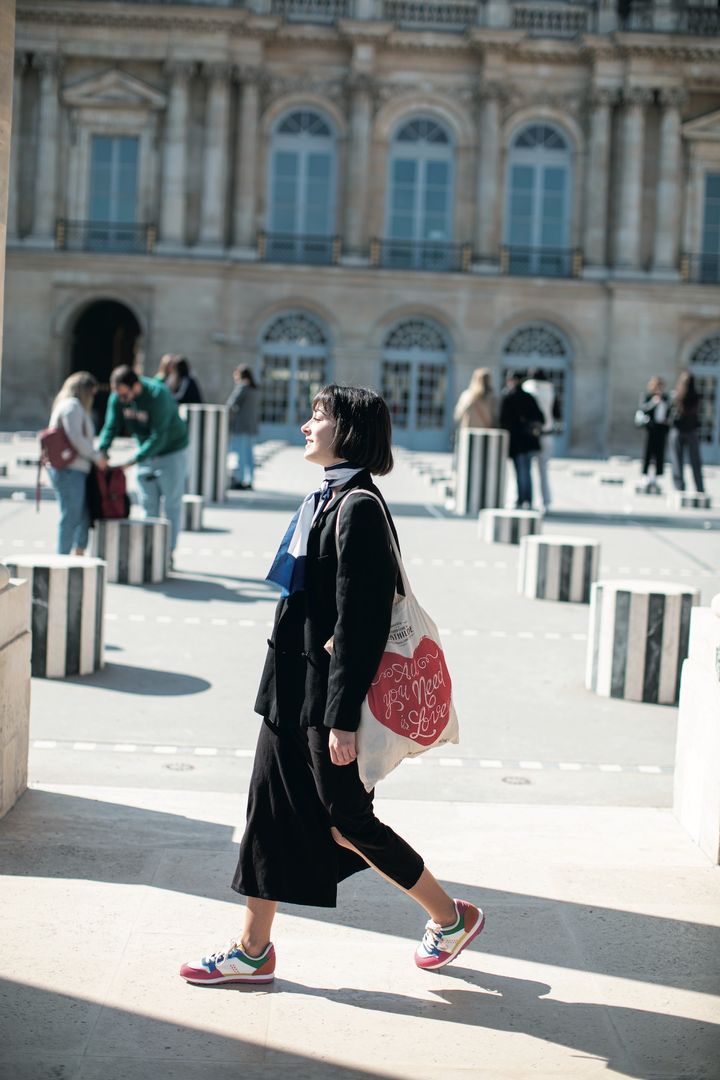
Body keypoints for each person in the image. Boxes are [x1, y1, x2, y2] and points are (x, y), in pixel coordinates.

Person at [179, 385, 485, 986]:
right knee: (266, 811)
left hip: (325, 700)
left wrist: (343, 718)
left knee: (348, 821)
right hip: (288, 685)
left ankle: (451, 917)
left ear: (348, 430)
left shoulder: (359, 508)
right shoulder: (326, 497)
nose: (305, 426)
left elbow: (362, 624)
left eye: (317, 416)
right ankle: (253, 949)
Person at [97, 366, 189, 556]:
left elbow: (159, 436)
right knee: (148, 503)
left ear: (136, 386)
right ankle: (150, 551)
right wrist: (103, 450)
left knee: (171, 503)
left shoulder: (158, 395)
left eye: (124, 395)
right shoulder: (118, 397)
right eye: (118, 395)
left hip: (171, 451)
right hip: (145, 452)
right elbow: (111, 425)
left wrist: (133, 461)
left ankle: (168, 552)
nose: (122, 400)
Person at [46, 371, 107, 555]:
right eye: (92, 393)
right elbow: (76, 438)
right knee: (71, 516)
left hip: (75, 469)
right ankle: (62, 558)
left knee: (81, 515)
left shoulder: (71, 406)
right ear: (84, 390)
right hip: (69, 470)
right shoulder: (72, 406)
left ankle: (77, 554)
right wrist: (97, 457)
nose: (93, 398)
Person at [499, 371, 545, 510]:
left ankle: (521, 500)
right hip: (530, 440)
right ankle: (528, 500)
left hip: (517, 441)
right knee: (527, 471)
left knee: (520, 471)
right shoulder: (529, 397)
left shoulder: (508, 397)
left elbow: (503, 422)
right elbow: (541, 418)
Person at [522, 368, 559, 512]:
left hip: (531, 435)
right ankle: (546, 501)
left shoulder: (528, 389)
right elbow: (557, 414)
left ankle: (525, 499)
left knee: (525, 469)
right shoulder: (551, 391)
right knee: (543, 471)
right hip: (547, 434)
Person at [669, 371, 706, 494]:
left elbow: (672, 413)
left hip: (679, 430)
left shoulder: (677, 395)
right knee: (695, 461)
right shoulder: (696, 396)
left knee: (677, 459)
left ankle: (679, 485)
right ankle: (699, 486)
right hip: (691, 430)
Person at [226, 366, 259, 490]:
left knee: (240, 454)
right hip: (252, 426)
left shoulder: (242, 387)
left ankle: (239, 480)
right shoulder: (255, 389)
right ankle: (249, 479)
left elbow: (231, 403)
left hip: (241, 426)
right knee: (249, 455)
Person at [638, 376, 670, 492]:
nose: (659, 389)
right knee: (648, 453)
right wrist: (653, 403)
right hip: (651, 428)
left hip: (661, 429)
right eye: (657, 386)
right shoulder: (648, 396)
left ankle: (657, 476)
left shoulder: (665, 398)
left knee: (659, 453)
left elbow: (669, 411)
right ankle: (645, 475)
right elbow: (643, 409)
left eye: (660, 386)